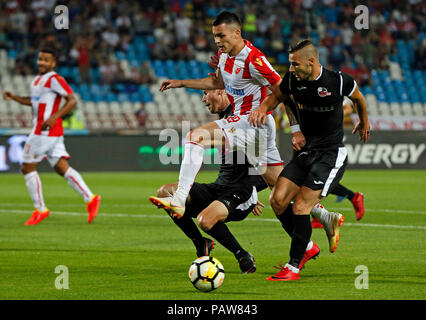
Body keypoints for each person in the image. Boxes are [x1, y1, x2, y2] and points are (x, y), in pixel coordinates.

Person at [152, 89, 340, 273]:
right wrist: (183, 81)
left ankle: (243, 254)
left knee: (208, 219)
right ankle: (201, 242)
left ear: (220, 92)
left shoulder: (249, 120)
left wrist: (253, 190)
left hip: (240, 192)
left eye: (205, 93)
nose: (203, 99)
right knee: (166, 192)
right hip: (219, 187)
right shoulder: (227, 121)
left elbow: (266, 166)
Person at [249, 39, 370, 281]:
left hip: (330, 154)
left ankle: (293, 267)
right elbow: (278, 96)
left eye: (295, 64)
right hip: (307, 152)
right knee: (277, 200)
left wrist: (364, 121)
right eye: (290, 64)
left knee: (302, 206)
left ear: (311, 61)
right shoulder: (294, 80)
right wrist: (263, 108)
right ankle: (306, 247)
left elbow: (358, 99)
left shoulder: (337, 80)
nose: (291, 69)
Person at [149, 11, 285, 219]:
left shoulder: (254, 59)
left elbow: (282, 89)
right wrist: (181, 83)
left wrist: (263, 108)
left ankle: (179, 199)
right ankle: (322, 215)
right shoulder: (224, 56)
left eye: (221, 35)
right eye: (215, 35)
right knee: (281, 188)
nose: (217, 40)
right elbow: (217, 83)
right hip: (248, 124)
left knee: (195, 137)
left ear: (237, 33)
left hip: (252, 121)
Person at [3, 41, 101, 225]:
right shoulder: (37, 80)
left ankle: (40, 209)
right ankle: (91, 198)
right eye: (40, 59)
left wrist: (55, 117)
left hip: (44, 130)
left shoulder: (55, 79)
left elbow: (72, 100)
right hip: (50, 131)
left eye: (46, 60)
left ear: (53, 63)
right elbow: (33, 102)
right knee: (60, 167)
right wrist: (14, 97)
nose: (41, 62)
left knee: (27, 167)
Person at [312, 97, 365, 228]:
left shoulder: (331, 87)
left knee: (315, 179)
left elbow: (348, 108)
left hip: (326, 140)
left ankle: (353, 197)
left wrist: (330, 116)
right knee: (310, 178)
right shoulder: (302, 87)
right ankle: (352, 197)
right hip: (309, 137)